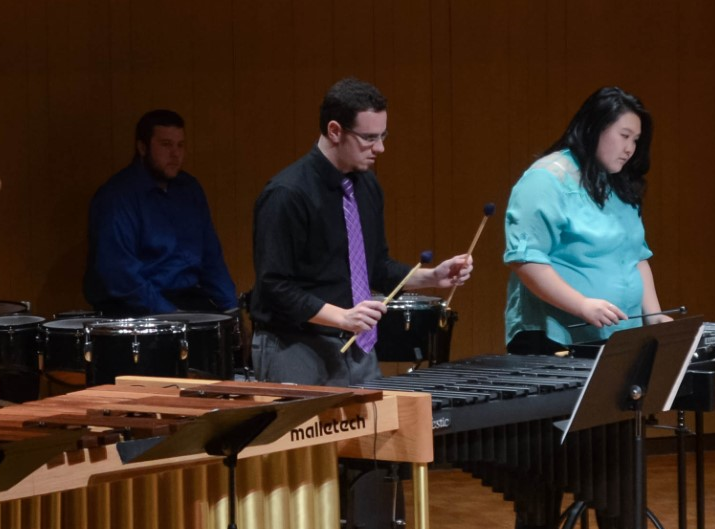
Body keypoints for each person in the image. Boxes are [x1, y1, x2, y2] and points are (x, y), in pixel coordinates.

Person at [503, 85, 663, 529]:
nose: (630, 149)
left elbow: (637, 256)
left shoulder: (616, 186)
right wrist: (583, 306)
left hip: (614, 346)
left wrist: (654, 317)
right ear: (594, 127)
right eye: (623, 136)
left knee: (619, 458)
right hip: (551, 344)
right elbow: (526, 259)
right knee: (542, 468)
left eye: (636, 140)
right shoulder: (545, 180)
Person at [250, 78, 472, 387]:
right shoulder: (287, 194)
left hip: (357, 347)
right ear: (335, 131)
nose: (380, 148)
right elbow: (274, 287)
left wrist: (433, 277)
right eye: (369, 138)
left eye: (383, 136)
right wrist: (341, 317)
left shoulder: (366, 186)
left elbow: (376, 267)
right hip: (295, 347)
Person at [83, 109, 238, 317]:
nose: (175, 154)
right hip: (136, 310)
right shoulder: (118, 196)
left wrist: (232, 308)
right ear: (142, 147)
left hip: (188, 299)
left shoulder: (189, 188)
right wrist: (171, 315)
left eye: (180, 145)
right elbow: (120, 275)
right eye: (166, 145)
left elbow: (211, 258)